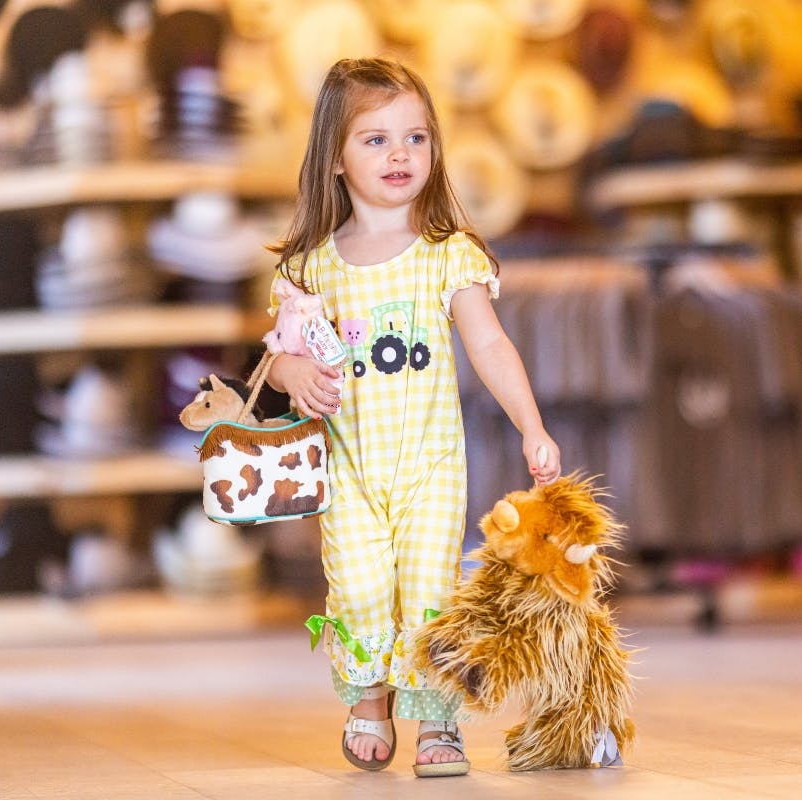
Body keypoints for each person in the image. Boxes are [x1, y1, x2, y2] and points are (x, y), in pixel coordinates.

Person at [264, 57, 562, 778]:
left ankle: (437, 721)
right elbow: (275, 357)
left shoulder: (445, 255)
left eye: (416, 138)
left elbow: (489, 343)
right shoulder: (311, 267)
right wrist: (294, 372)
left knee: (430, 590)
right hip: (350, 470)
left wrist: (531, 424)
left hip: (429, 467)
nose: (400, 155)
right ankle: (369, 699)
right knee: (359, 588)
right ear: (334, 158)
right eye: (375, 140)